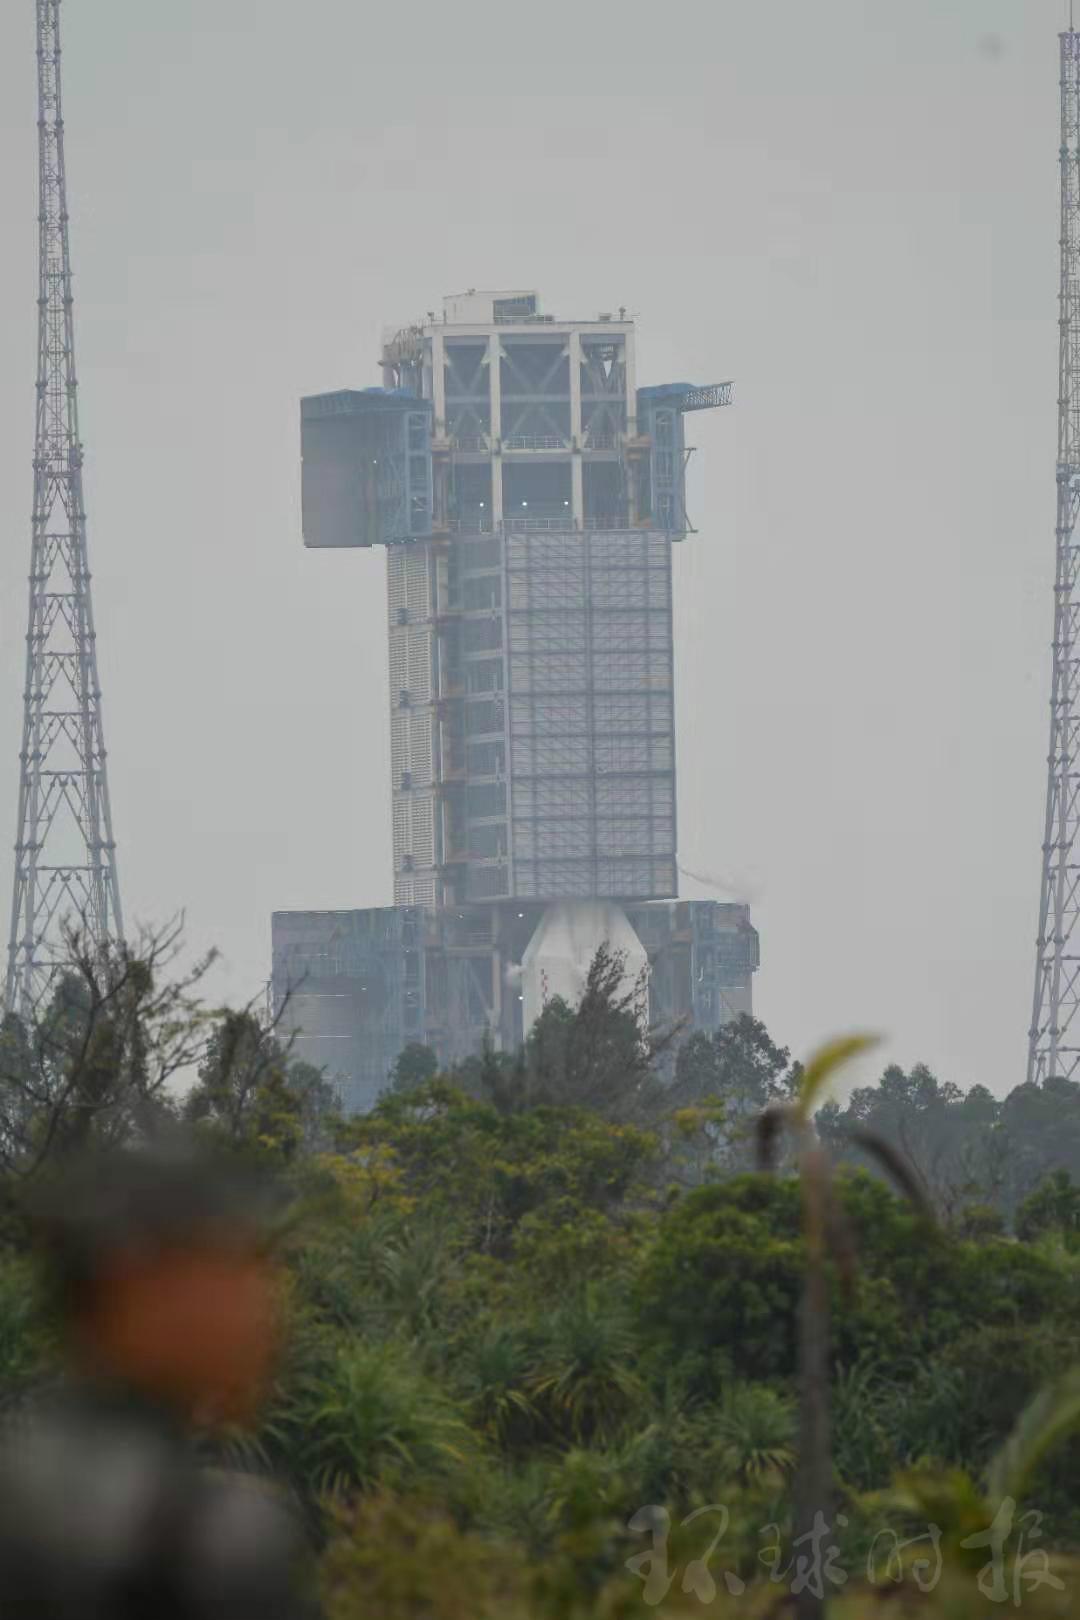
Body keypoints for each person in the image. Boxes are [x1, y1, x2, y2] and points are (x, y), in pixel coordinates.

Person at [0, 1144, 318, 1619]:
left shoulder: (26, 1481)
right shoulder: (218, 1544)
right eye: (233, 1272)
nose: (259, 1313)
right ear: (131, 1290)